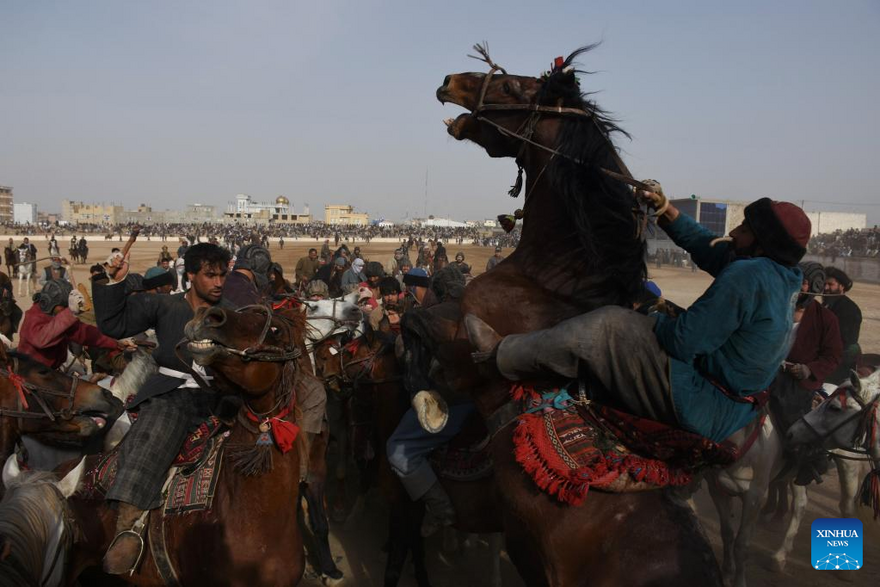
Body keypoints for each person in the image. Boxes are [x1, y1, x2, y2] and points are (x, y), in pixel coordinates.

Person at [467, 188, 810, 446]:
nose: (734, 233)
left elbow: (682, 341)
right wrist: (667, 210)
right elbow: (709, 246)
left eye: (745, 230)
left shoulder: (747, 276)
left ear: (763, 244)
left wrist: (652, 313)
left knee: (607, 326)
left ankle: (499, 355)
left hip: (702, 400)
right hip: (736, 407)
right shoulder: (780, 276)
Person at [95, 243, 230, 574]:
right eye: (210, 275)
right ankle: (126, 527)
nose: (218, 283)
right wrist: (113, 283)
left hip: (221, 396)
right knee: (154, 434)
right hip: (173, 393)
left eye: (222, 275)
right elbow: (112, 324)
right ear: (192, 275)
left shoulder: (232, 314)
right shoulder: (164, 305)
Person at [767, 261, 841, 484]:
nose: (795, 286)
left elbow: (833, 356)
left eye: (802, 283)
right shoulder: (776, 306)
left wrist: (810, 369)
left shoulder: (826, 320)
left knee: (795, 422)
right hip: (764, 373)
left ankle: (809, 463)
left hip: (797, 385)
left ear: (814, 287)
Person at [18, 279, 131, 370]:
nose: (66, 308)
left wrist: (115, 343)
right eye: (64, 306)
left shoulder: (59, 316)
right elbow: (41, 340)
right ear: (51, 303)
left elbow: (84, 333)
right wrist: (70, 313)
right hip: (30, 373)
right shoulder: (33, 316)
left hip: (52, 372)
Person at [823, 266, 862, 385]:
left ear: (842, 286)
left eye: (830, 284)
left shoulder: (850, 309)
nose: (825, 288)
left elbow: (843, 341)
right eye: (824, 284)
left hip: (841, 362)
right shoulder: (828, 304)